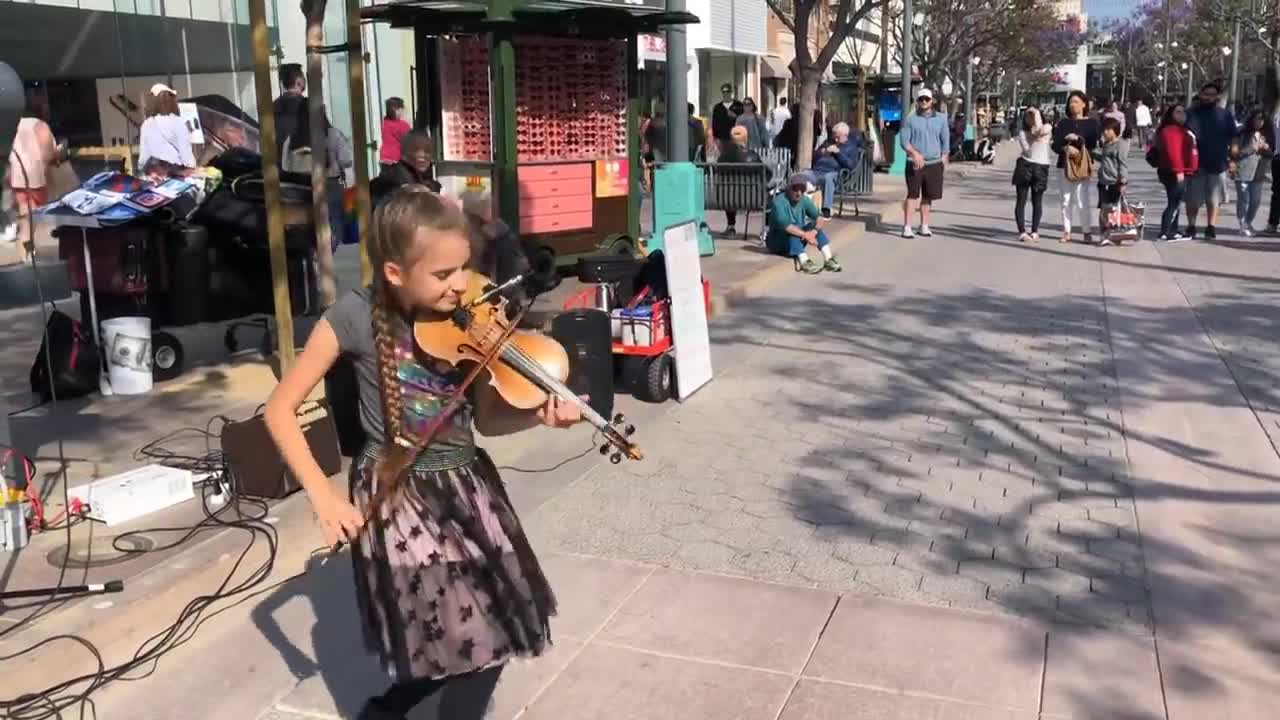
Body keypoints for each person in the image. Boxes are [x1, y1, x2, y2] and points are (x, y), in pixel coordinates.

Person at [263, 187, 581, 720]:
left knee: (494, 629)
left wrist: (537, 414)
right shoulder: (351, 316)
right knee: (464, 634)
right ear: (394, 273)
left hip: (466, 484)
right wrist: (323, 499)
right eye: (442, 275)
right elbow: (279, 410)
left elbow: (489, 420)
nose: (461, 285)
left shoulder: (470, 315)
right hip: (398, 493)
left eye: (463, 268)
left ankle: (392, 708)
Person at [4, 94, 60, 263]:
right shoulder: (39, 125)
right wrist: (57, 152)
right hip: (36, 176)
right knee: (33, 215)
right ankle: (28, 250)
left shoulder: (12, 125)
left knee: (25, 212)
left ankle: (27, 249)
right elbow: (47, 152)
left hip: (17, 174)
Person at [1184, 82, 1235, 239]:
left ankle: (1210, 226)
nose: (1209, 97)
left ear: (1217, 96)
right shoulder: (1190, 114)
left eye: (1212, 94)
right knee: (1192, 199)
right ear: (1200, 94)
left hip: (1217, 163)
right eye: (1206, 94)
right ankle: (1191, 225)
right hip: (1195, 164)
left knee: (1214, 199)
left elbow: (1233, 136)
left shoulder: (1224, 114)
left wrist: (1233, 157)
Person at [765, 172, 841, 274]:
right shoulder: (779, 203)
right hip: (778, 242)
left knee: (812, 226)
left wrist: (813, 232)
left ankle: (828, 259)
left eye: (802, 189)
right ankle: (804, 262)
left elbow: (819, 218)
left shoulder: (804, 200)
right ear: (789, 188)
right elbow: (787, 227)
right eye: (795, 189)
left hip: (797, 238)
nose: (799, 193)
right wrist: (806, 235)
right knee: (794, 232)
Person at [898, 88, 949, 238]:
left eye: (927, 99)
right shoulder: (910, 119)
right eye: (921, 99)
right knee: (912, 195)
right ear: (918, 102)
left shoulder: (940, 118)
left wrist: (945, 156)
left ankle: (924, 225)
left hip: (934, 162)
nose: (924, 102)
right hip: (915, 163)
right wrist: (914, 154)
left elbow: (945, 139)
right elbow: (904, 141)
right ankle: (907, 226)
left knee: (928, 196)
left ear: (931, 101)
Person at [1051, 90, 1100, 244]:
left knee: (1082, 199)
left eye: (1076, 102)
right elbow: (1055, 145)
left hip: (1082, 165)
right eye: (1071, 102)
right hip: (1064, 166)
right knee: (1065, 200)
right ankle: (1067, 231)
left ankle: (1086, 231)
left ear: (1084, 104)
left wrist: (1078, 140)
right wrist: (1065, 147)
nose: (1073, 105)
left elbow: (1093, 144)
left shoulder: (1092, 123)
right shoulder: (1064, 123)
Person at [1154, 102, 1198, 242]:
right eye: (1178, 112)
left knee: (1175, 201)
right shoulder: (1170, 131)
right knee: (1174, 202)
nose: (1182, 115)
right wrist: (1179, 171)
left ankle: (1173, 229)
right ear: (1171, 115)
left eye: (1183, 112)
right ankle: (1166, 231)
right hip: (1175, 172)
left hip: (1184, 171)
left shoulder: (1182, 130)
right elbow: (1173, 153)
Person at [137, 83, 197, 174]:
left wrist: (141, 171)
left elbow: (144, 156)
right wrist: (193, 169)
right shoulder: (178, 122)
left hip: (155, 174)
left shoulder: (146, 124)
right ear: (172, 101)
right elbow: (186, 154)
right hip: (174, 173)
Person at [1229, 110, 1271, 237]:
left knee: (1256, 201)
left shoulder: (1263, 135)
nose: (1259, 121)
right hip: (1243, 171)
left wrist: (1266, 148)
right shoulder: (1241, 133)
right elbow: (1235, 153)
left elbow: (1269, 153)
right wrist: (1251, 148)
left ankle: (1248, 222)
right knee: (1244, 200)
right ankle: (1242, 224)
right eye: (1257, 118)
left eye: (1262, 119)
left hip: (1258, 173)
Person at [1013, 107, 1052, 243]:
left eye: (1033, 114)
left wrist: (1036, 118)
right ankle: (1022, 231)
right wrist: (1035, 138)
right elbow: (1028, 151)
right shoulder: (1023, 132)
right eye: (1027, 115)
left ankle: (1035, 230)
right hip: (1025, 165)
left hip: (1041, 166)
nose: (1030, 117)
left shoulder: (1046, 127)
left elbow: (1041, 130)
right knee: (1021, 200)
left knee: (1037, 201)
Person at [372, 131, 442, 206]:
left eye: (427, 150)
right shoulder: (393, 179)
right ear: (403, 153)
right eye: (416, 149)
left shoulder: (425, 178)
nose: (422, 155)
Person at [718, 125, 765, 236]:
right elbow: (767, 174)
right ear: (746, 138)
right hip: (752, 200)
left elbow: (717, 172)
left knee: (729, 191)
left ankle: (731, 226)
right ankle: (766, 230)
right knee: (772, 196)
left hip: (727, 199)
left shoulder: (722, 157)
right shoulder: (753, 156)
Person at [811, 121, 862, 218]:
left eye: (838, 137)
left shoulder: (851, 148)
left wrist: (838, 153)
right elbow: (814, 155)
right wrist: (823, 151)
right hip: (818, 170)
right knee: (803, 175)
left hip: (837, 173)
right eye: (834, 136)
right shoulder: (828, 143)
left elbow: (850, 165)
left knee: (828, 177)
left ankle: (826, 209)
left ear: (845, 135)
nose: (835, 139)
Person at [1092, 116, 1129, 246]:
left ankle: (1114, 234)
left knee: (1113, 209)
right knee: (1103, 209)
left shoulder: (1121, 144)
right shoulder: (1106, 144)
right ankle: (1104, 234)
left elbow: (1122, 164)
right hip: (1103, 182)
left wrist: (1123, 182)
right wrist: (1091, 154)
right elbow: (1104, 159)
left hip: (1114, 182)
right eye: (1104, 130)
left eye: (1108, 130)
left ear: (1115, 130)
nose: (1105, 132)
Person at [380, 97, 411, 168]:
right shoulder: (403, 125)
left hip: (384, 158)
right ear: (399, 110)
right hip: (397, 159)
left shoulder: (383, 123)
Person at [711, 84, 738, 154]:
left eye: (727, 91)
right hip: (721, 138)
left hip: (735, 138)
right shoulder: (718, 107)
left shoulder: (738, 105)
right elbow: (714, 124)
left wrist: (735, 116)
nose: (726, 93)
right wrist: (715, 138)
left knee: (735, 157)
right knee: (722, 158)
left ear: (731, 92)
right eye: (724, 92)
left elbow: (742, 121)